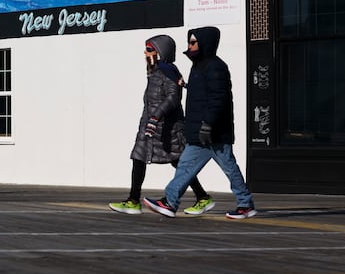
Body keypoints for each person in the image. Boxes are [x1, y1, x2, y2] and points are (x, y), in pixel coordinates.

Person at [143, 27, 257, 219]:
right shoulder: (198, 66)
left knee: (229, 167)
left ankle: (245, 204)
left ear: (205, 43)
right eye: (189, 42)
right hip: (199, 133)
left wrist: (208, 124)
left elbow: (217, 99)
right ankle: (170, 202)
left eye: (194, 42)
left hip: (214, 133)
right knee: (185, 167)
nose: (190, 46)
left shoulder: (215, 66)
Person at [109, 35, 214, 216]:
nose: (145, 53)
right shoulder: (155, 71)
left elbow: (173, 98)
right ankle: (133, 200)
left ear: (160, 52)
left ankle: (203, 197)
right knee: (138, 157)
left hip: (168, 127)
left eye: (150, 50)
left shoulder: (168, 72)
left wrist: (156, 118)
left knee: (179, 162)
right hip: (150, 126)